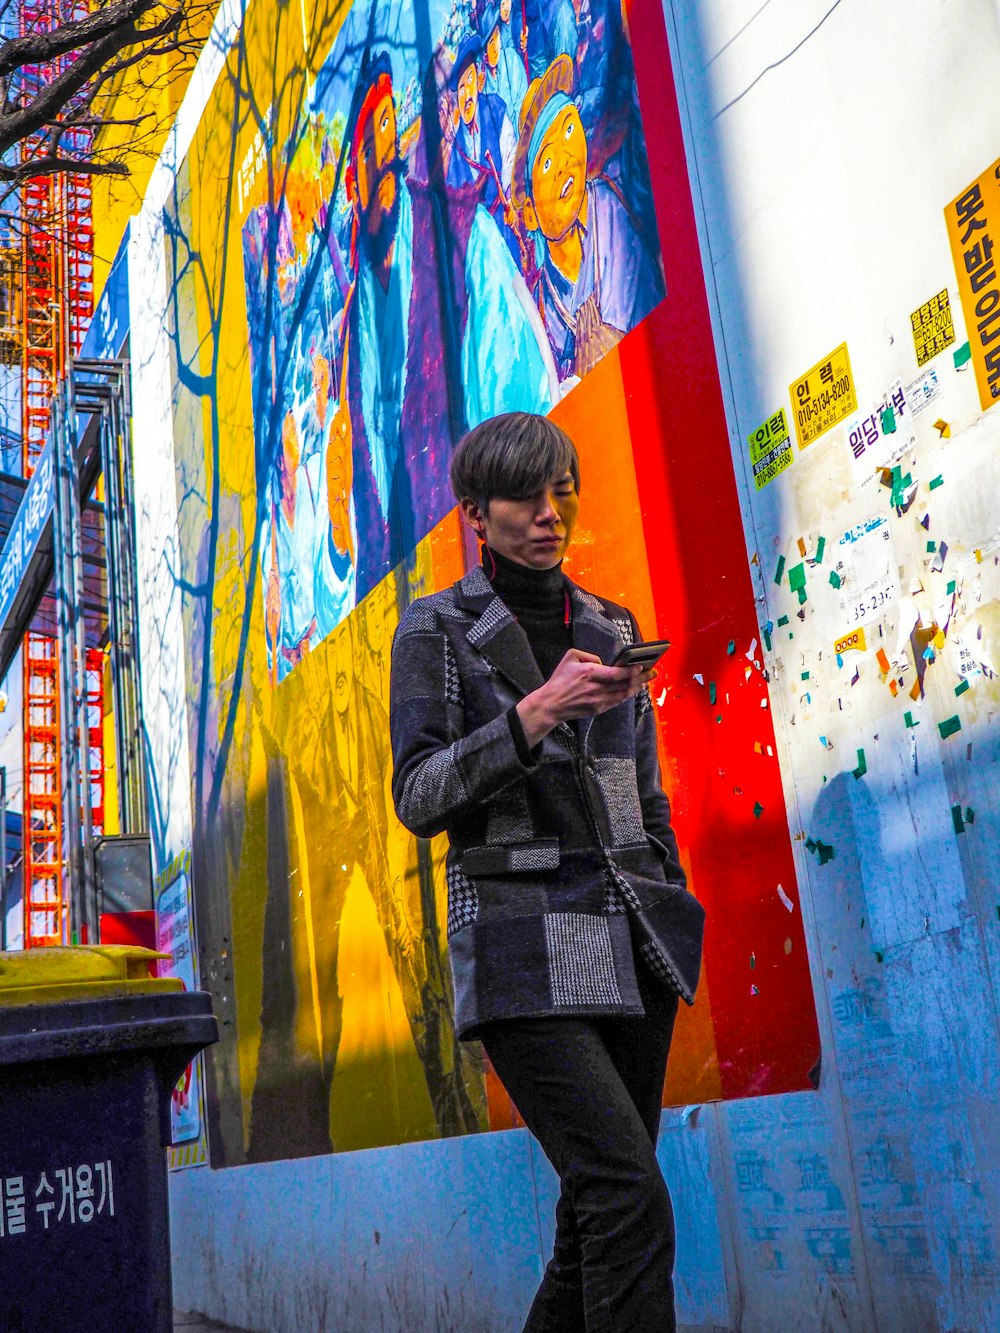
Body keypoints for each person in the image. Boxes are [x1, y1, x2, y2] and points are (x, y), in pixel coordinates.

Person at [389, 412, 704, 1331]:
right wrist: (533, 714)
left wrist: (671, 899)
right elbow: (419, 794)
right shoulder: (438, 628)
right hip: (520, 943)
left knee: (594, 1215)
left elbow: (643, 794)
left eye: (560, 490)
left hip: (632, 945)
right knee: (626, 1192)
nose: (548, 511)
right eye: (524, 495)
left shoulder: (611, 625)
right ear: (475, 516)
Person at [339, 48, 557, 600]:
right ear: (350, 184)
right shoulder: (354, 337)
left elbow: (520, 428)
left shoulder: (465, 243)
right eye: (371, 141)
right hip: (418, 629)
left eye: (390, 129)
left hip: (499, 594)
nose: (386, 155)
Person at [511, 55, 665, 381]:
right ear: (531, 214)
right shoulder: (543, 310)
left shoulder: (618, 200)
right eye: (547, 162)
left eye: (569, 129)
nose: (565, 159)